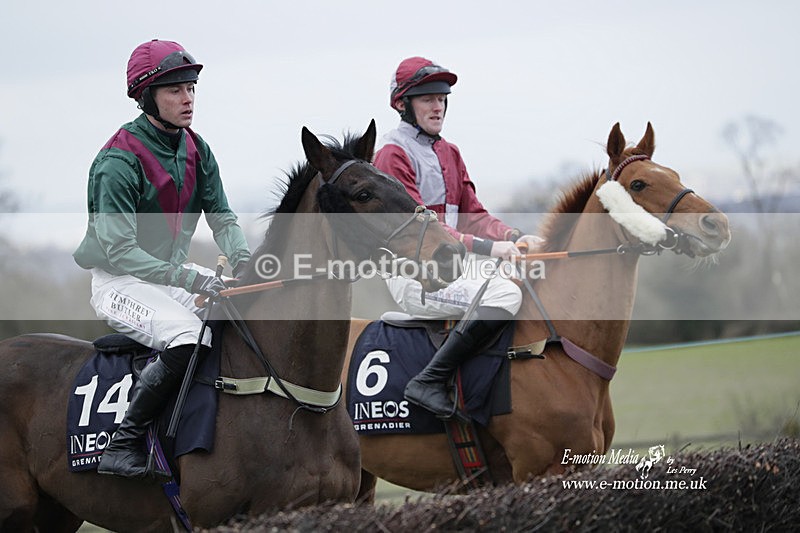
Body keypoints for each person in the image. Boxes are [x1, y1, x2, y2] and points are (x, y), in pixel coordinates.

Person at [73, 39, 251, 480]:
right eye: (175, 90)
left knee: (242, 309)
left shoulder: (196, 148)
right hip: (119, 283)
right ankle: (124, 443)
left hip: (167, 278)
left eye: (191, 87)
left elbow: (222, 216)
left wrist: (243, 258)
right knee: (189, 336)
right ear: (146, 95)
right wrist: (190, 279)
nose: (187, 98)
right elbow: (121, 252)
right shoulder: (118, 160)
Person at [374, 56, 542, 419]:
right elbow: (422, 227)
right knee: (504, 293)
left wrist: (514, 235)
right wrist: (488, 247)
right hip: (413, 273)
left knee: (532, 282)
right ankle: (429, 381)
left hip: (455, 266)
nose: (438, 106)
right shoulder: (390, 154)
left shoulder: (449, 152)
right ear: (403, 104)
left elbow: (474, 216)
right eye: (427, 99)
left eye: (442, 98)